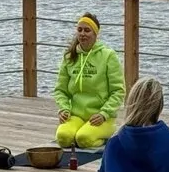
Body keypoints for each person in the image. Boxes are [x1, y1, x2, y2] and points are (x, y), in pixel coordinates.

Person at [53, 12, 125, 150]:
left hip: (101, 117)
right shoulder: (69, 57)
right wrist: (64, 109)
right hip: (76, 115)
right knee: (63, 138)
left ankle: (106, 138)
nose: (82, 34)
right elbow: (60, 90)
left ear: (95, 34)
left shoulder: (108, 56)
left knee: (83, 139)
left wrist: (104, 114)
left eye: (87, 30)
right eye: (79, 30)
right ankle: (79, 132)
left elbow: (118, 91)